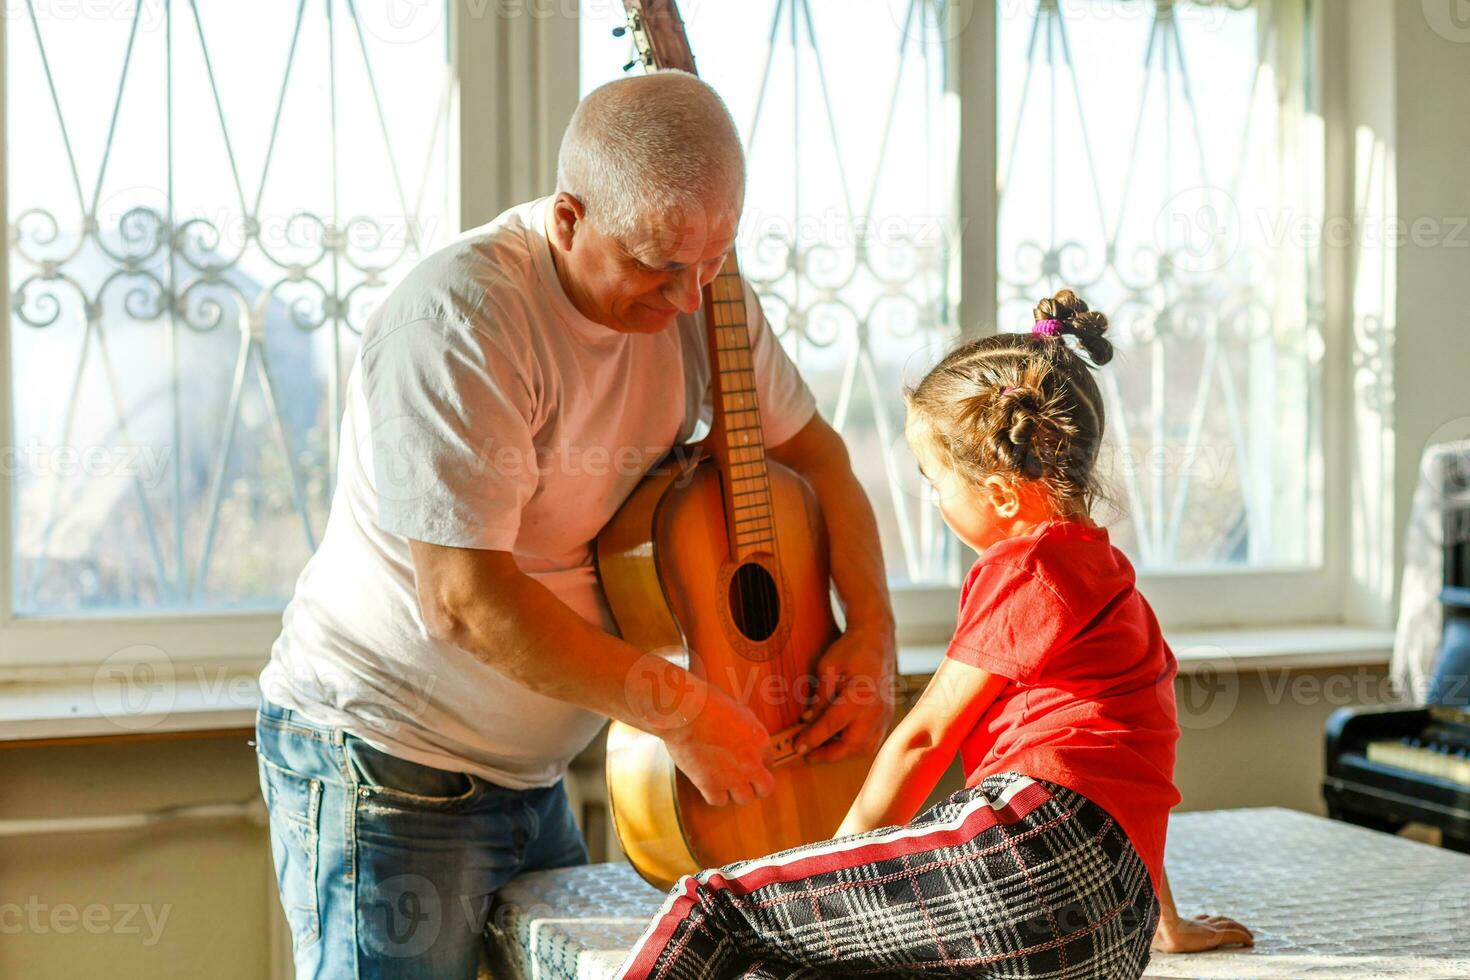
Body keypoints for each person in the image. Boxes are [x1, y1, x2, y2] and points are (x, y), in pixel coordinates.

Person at [254, 69, 896, 979]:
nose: (688, 298)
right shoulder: (461, 320)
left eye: (713, 259)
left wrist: (870, 629)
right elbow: (465, 601)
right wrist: (682, 712)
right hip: (388, 763)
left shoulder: (707, 292)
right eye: (655, 264)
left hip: (535, 774)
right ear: (566, 219)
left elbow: (820, 457)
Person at [614, 289, 1254, 979]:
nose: (936, 500)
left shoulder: (1029, 567)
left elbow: (925, 736)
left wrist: (827, 868)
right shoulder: (1117, 589)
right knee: (804, 964)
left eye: (936, 481)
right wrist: (1170, 927)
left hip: (1031, 863)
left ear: (1004, 494)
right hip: (1106, 935)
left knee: (712, 904)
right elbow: (1134, 782)